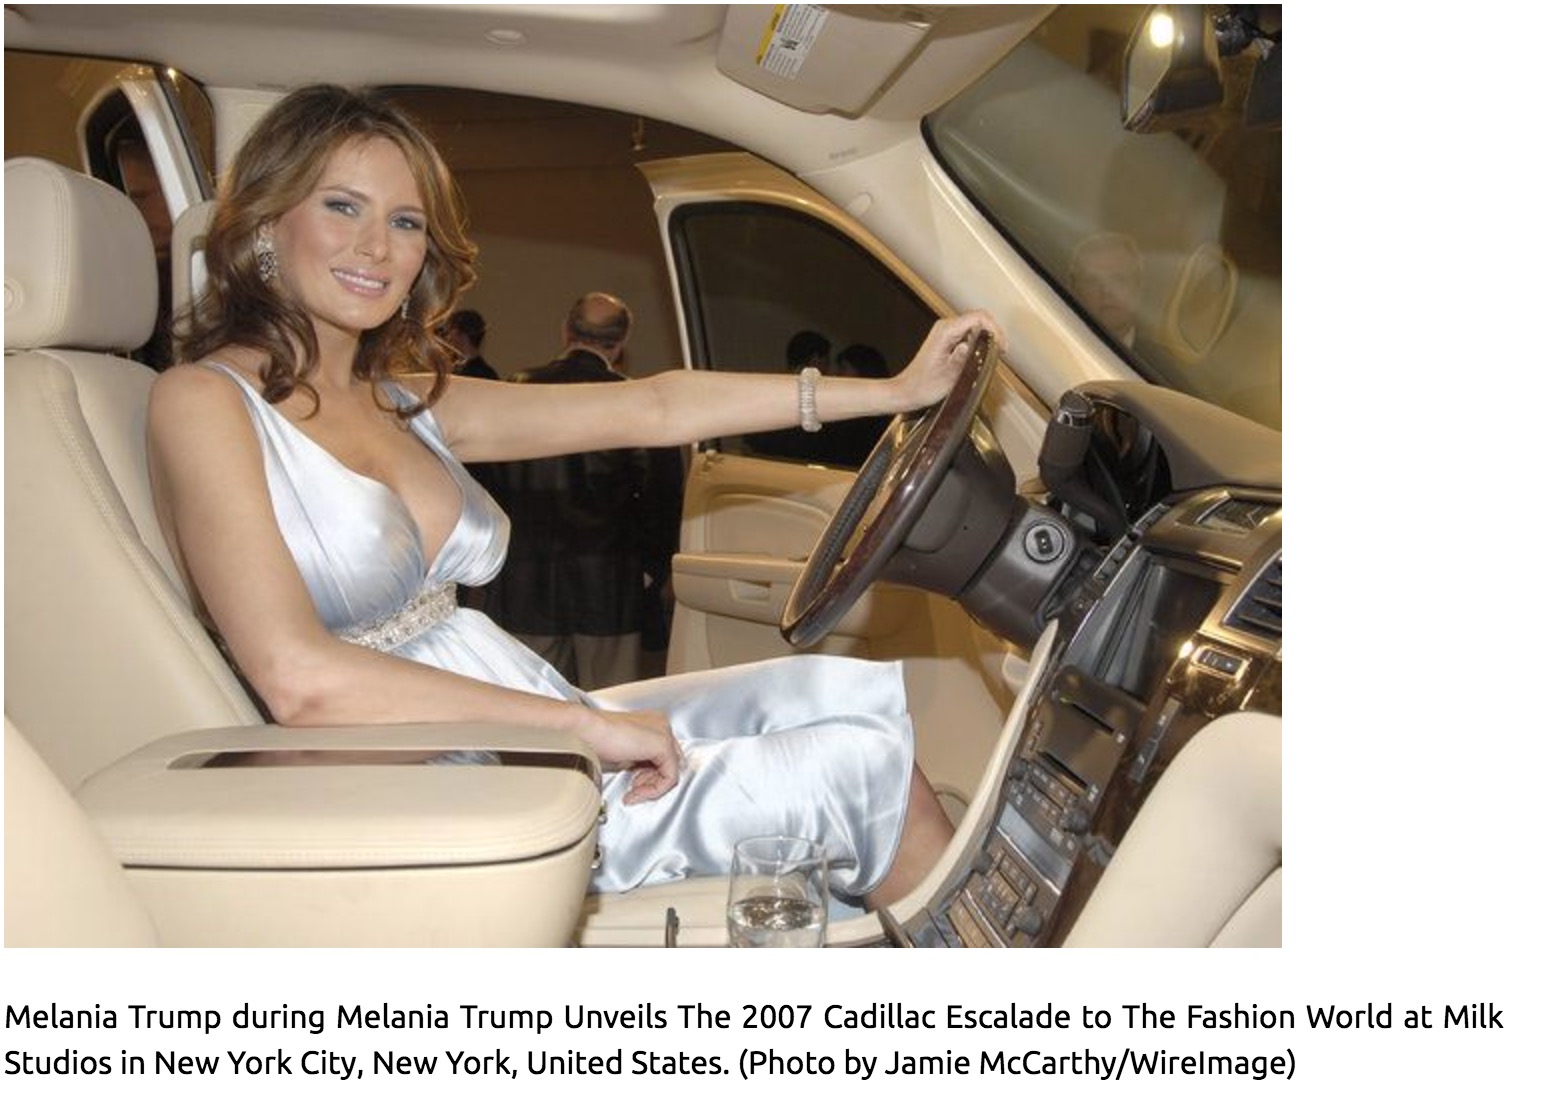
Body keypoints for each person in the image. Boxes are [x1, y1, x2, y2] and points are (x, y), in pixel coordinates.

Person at [149, 84, 997, 908]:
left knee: (824, 695)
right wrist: (577, 731)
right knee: (861, 774)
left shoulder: (404, 398)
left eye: (405, 222)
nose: (376, 247)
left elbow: (654, 407)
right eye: (343, 207)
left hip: (513, 721)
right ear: (268, 222)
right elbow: (297, 679)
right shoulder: (204, 401)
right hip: (405, 775)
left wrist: (892, 392)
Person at [478, 291, 681, 689]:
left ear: (566, 331)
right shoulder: (634, 400)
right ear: (620, 343)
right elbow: (663, 496)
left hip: (524, 580)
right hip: (609, 582)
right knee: (608, 701)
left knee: (529, 702)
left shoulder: (515, 390)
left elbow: (484, 482)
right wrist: (651, 569)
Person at [438, 307, 500, 379]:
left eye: (449, 331)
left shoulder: (483, 374)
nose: (447, 337)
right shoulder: (487, 373)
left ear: (460, 334)